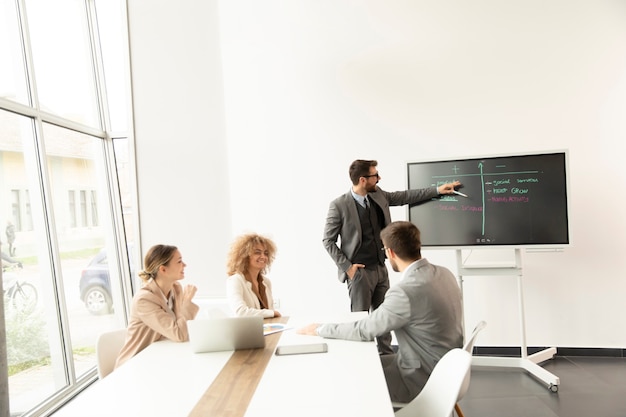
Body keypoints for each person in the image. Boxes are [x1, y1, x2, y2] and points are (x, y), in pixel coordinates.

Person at [301, 221, 463, 403]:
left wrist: (319, 329)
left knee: (351, 377)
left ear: (390, 252)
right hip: (451, 373)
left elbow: (364, 330)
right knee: (369, 363)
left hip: (423, 381)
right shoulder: (445, 273)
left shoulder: (405, 291)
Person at [322, 159, 460, 354]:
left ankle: (386, 357)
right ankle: (362, 360)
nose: (379, 178)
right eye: (374, 175)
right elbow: (327, 240)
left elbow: (404, 196)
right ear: (362, 180)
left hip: (381, 267)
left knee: (384, 321)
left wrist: (437, 190)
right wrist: (348, 267)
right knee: (361, 320)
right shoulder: (339, 205)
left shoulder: (378, 195)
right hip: (359, 273)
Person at [115, 244, 199, 368]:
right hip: (134, 364)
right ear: (163, 269)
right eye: (179, 261)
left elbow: (181, 327)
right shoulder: (144, 300)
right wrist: (187, 302)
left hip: (158, 358)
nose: (184, 265)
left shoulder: (176, 289)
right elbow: (179, 334)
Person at [226, 233, 281, 318]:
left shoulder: (266, 282)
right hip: (246, 330)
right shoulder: (235, 280)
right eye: (257, 252)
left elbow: (270, 311)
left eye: (266, 253)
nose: (263, 256)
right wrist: (272, 313)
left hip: (266, 328)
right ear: (244, 256)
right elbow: (241, 312)